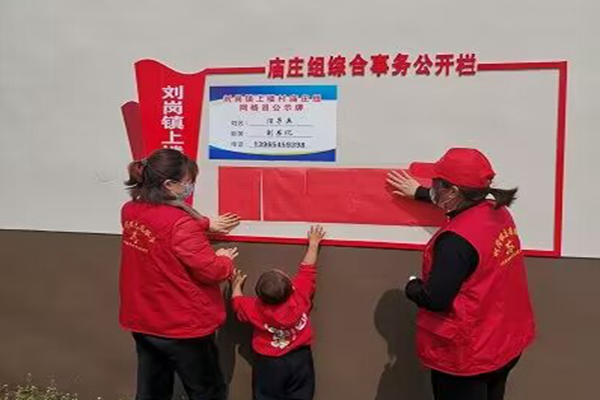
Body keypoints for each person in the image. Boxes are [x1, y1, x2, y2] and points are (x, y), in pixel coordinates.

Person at [387, 148, 536, 400]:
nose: (432, 186)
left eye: (436, 184)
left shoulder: (454, 242)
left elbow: (436, 299)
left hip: (469, 355)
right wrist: (421, 193)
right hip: (502, 340)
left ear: (453, 191)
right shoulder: (497, 211)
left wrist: (411, 286)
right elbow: (464, 208)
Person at [119, 148, 241, 400]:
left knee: (152, 389)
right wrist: (225, 260)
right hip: (182, 324)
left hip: (144, 319)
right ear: (168, 184)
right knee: (206, 390)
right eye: (188, 181)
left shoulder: (130, 210)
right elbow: (212, 271)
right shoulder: (180, 224)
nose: (191, 186)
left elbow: (163, 231)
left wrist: (204, 224)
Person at [230, 226, 326, 400]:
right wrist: (313, 244)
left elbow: (237, 303)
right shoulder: (300, 295)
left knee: (266, 395)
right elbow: (307, 269)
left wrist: (236, 285)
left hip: (269, 362)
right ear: (291, 287)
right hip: (300, 357)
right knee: (302, 393)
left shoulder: (254, 308)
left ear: (259, 296)